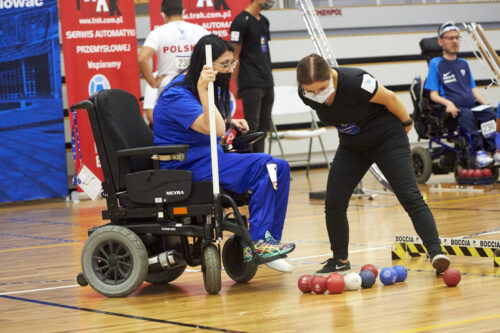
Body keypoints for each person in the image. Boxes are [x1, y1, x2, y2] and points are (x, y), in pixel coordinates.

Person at [295, 53, 451, 276]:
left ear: (330, 74)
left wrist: (406, 123)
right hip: (352, 145)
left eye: (321, 88)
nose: (317, 95)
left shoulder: (356, 81)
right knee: (334, 203)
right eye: (311, 91)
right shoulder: (306, 93)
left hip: (387, 138)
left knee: (409, 195)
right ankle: (340, 260)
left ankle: (436, 252)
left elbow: (391, 99)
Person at [153, 34, 295, 273]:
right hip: (185, 166)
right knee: (266, 166)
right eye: (225, 65)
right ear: (205, 66)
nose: (230, 69)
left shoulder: (197, 89)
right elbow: (214, 129)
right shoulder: (177, 95)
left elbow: (212, 125)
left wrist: (231, 122)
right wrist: (204, 90)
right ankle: (258, 242)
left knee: (279, 168)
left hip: (209, 158)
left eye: (233, 63)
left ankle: (267, 240)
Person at [425, 21, 497, 168]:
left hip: (470, 107)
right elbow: (433, 94)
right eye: (450, 38)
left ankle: (493, 150)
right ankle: (478, 153)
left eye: (457, 37)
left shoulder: (464, 63)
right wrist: (448, 103)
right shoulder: (436, 63)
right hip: (452, 110)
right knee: (467, 115)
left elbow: (473, 90)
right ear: (440, 41)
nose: (455, 41)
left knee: (489, 113)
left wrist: (485, 104)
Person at [138, 0, 209, 123]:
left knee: (172, 129)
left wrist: (153, 83)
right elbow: (217, 53)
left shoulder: (158, 33)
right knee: (199, 126)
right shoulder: (200, 31)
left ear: (163, 14)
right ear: (183, 11)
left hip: (169, 88)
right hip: (196, 87)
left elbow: (142, 59)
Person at [230, 0, 275, 153]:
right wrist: (237, 85)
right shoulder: (241, 21)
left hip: (267, 82)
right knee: (251, 127)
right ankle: (248, 163)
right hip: (250, 82)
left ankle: (261, 162)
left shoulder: (264, 21)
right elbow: (235, 55)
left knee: (264, 127)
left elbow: (264, 51)